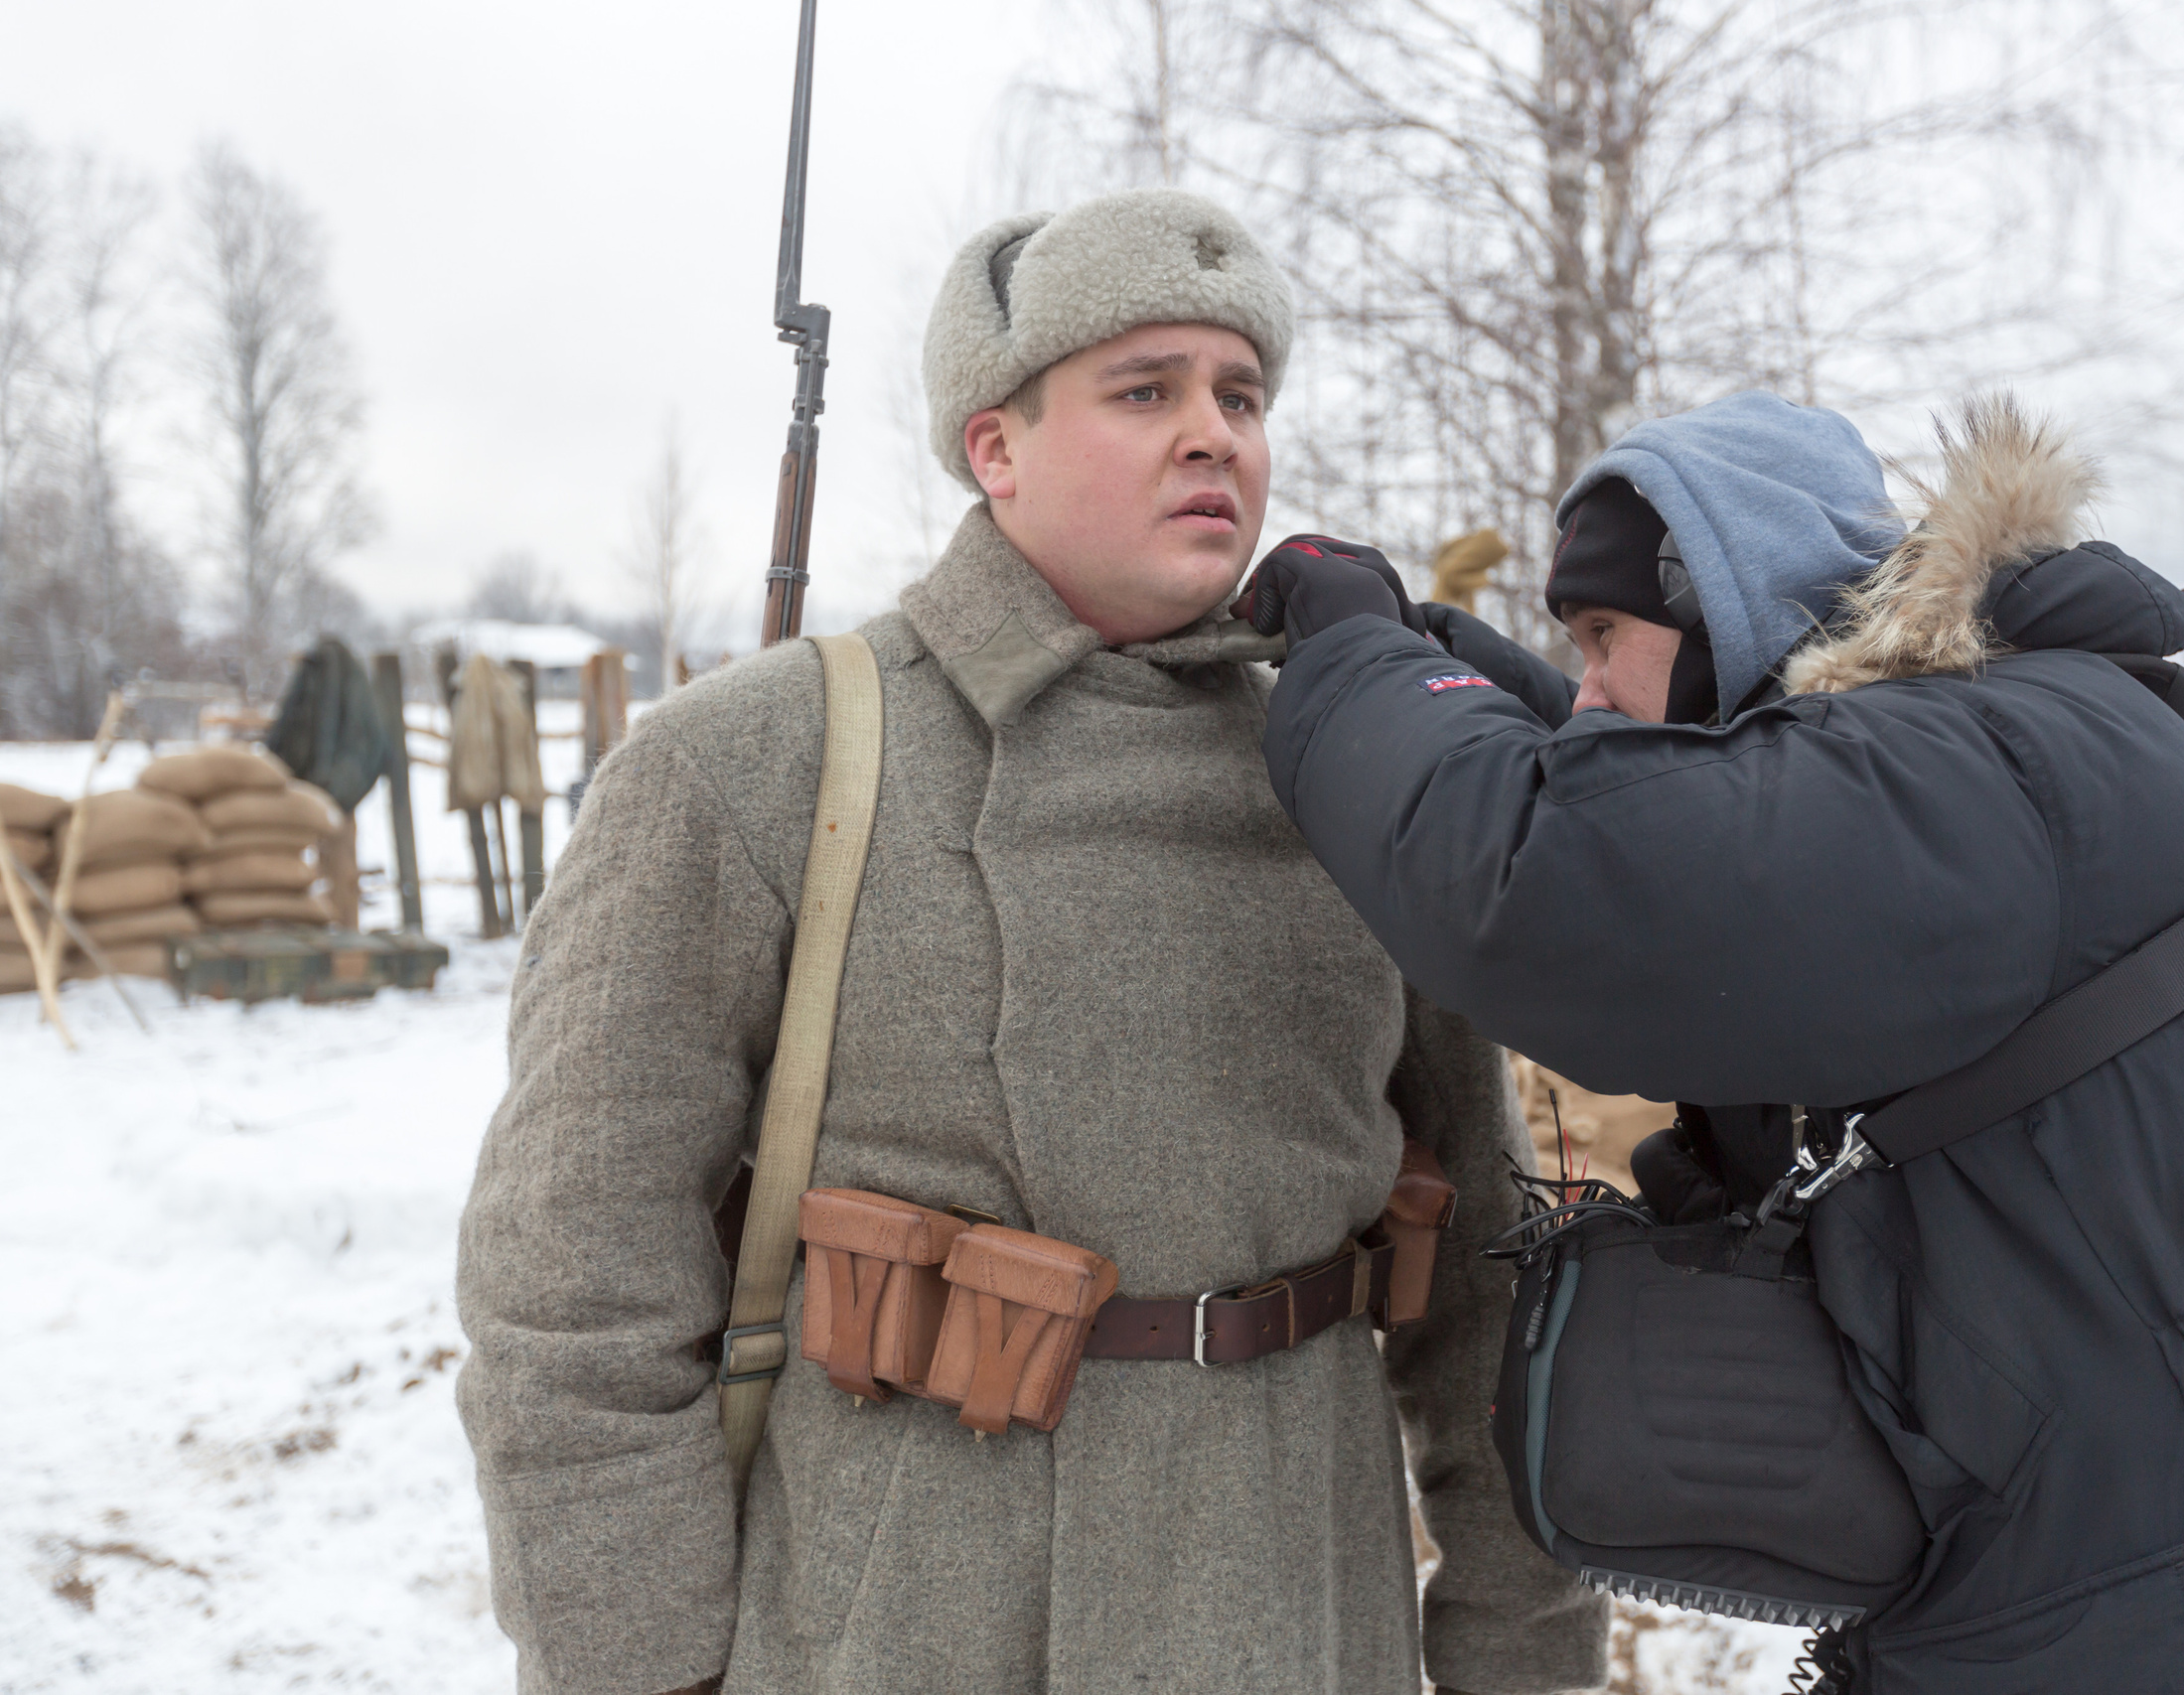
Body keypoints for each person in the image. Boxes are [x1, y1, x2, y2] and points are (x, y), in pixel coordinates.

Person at [453, 188, 1603, 1695]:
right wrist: (638, 1670)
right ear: (994, 447)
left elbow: (1485, 1286)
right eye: (1147, 390)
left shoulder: (1371, 780)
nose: (1217, 436)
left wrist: (1522, 1648)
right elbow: (574, 1286)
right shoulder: (753, 766)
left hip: (1304, 1609)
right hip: (909, 1622)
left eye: (1240, 395)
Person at [1239, 391, 2184, 1692]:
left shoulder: (1979, 776)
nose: (1583, 692)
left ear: (1731, 609)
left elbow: (1540, 881)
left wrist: (1358, 650)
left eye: (1599, 638)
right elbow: (1664, 791)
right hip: (2178, 1574)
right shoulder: (1996, 749)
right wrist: (1441, 663)